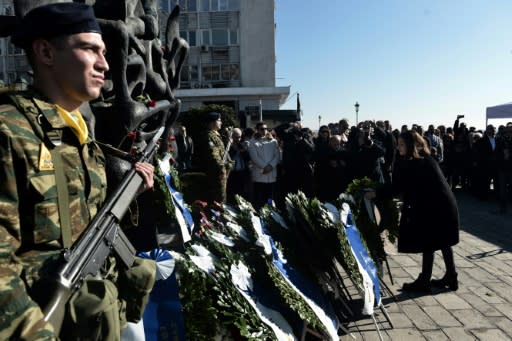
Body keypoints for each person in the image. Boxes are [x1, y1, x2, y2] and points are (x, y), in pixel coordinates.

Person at [0, 3, 156, 339]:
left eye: (103, 51)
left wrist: (129, 194)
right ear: (45, 52)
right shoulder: (8, 131)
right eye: (89, 49)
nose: (104, 64)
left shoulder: (78, 137)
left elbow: (75, 227)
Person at [392, 131, 460, 292]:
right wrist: (408, 204)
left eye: (401, 144)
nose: (398, 147)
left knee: (429, 241)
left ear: (410, 145)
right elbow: (418, 188)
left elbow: (401, 186)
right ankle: (450, 276)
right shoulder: (424, 157)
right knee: (442, 241)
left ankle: (425, 280)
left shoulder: (417, 161)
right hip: (441, 205)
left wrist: (377, 193)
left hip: (438, 207)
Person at [193, 111, 232, 203]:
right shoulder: (209, 136)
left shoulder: (216, 135)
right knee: (218, 200)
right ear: (212, 122)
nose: (221, 122)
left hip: (221, 173)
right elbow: (214, 156)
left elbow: (222, 152)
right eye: (219, 120)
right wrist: (222, 168)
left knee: (222, 198)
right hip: (216, 174)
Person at [248, 122, 280, 209]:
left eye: (266, 129)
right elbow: (254, 157)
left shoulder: (273, 141)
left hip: (271, 174)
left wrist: (271, 166)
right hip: (260, 174)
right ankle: (258, 212)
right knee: (259, 197)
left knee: (270, 197)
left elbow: (277, 155)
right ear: (257, 130)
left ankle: (270, 213)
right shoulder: (253, 142)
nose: (264, 131)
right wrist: (265, 166)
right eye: (262, 129)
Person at [226, 127, 251, 204]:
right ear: (232, 136)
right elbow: (228, 157)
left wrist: (241, 149)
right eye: (236, 137)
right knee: (232, 194)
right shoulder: (227, 145)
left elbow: (248, 158)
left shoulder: (243, 144)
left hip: (242, 173)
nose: (238, 139)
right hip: (232, 174)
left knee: (242, 194)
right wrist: (233, 147)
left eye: (240, 137)